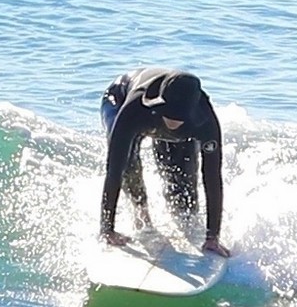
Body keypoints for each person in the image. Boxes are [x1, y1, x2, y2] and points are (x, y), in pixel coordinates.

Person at [99, 67, 231, 257]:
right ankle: (141, 214)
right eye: (167, 115)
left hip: (164, 116)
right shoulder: (135, 108)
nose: (171, 123)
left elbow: (212, 177)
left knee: (183, 186)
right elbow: (114, 169)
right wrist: (107, 229)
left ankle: (186, 221)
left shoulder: (206, 123)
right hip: (119, 100)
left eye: (177, 119)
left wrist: (213, 238)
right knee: (128, 162)